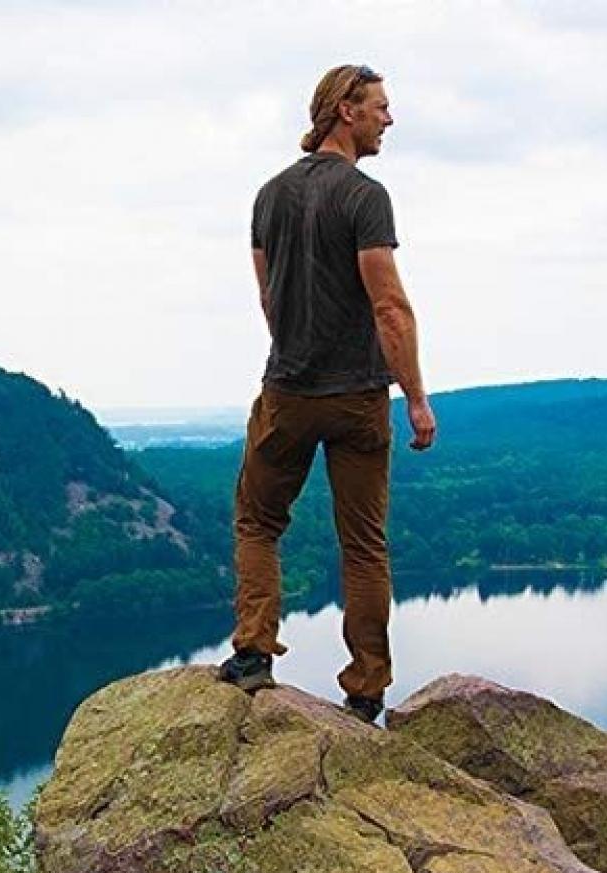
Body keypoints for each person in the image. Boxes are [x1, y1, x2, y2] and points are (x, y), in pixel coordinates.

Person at [217, 64, 436, 725]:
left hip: (288, 390)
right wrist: (417, 397)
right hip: (361, 398)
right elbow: (389, 305)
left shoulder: (268, 196)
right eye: (380, 107)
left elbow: (267, 293)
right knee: (364, 545)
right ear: (345, 109)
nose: (388, 120)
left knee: (259, 521)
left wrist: (296, 350)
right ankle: (366, 690)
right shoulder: (364, 198)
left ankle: (254, 653)